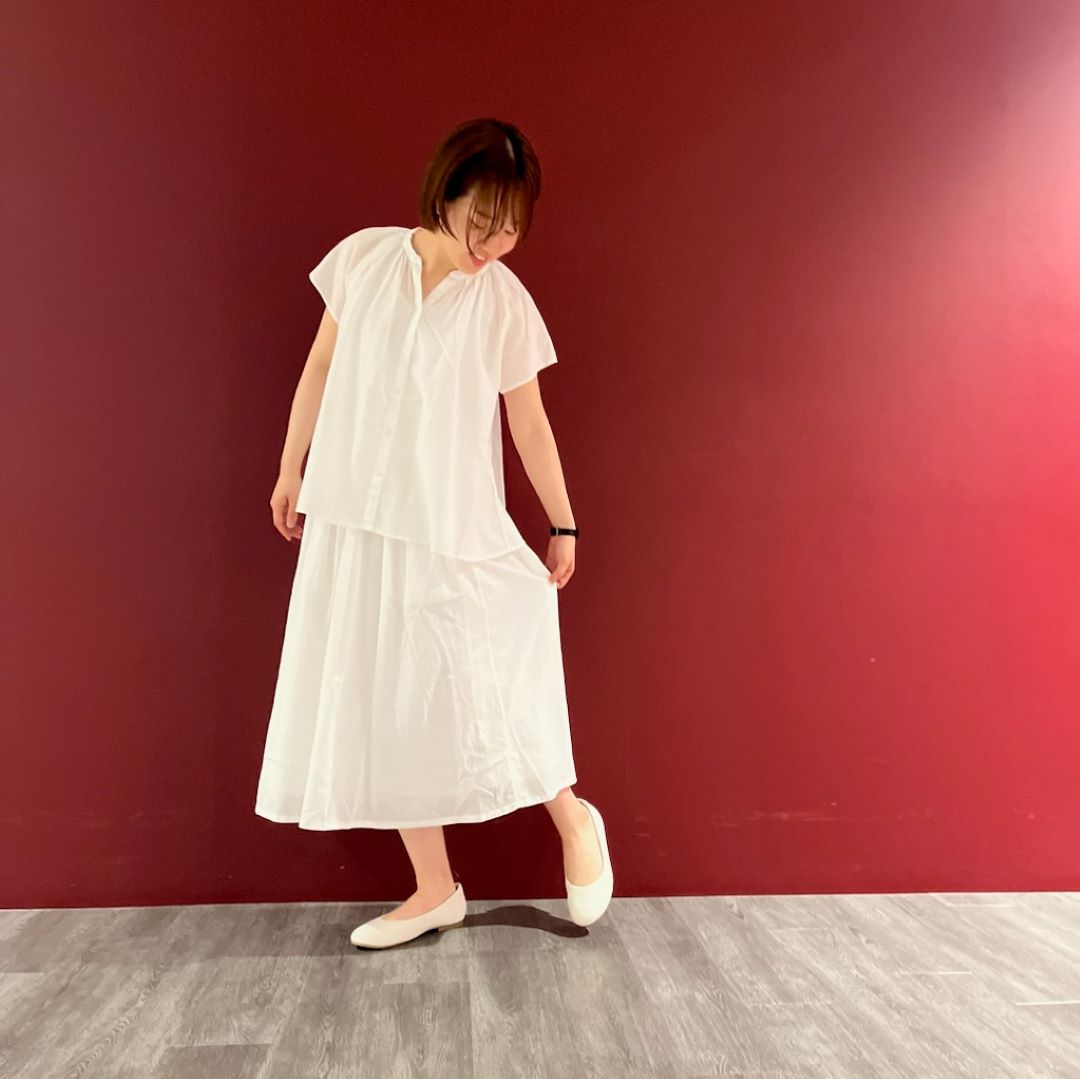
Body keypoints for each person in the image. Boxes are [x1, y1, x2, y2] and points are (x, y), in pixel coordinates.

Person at [254, 118, 613, 948]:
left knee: (485, 674)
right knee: (388, 697)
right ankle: (434, 887)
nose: (494, 242)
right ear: (442, 195)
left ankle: (573, 817)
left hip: (450, 522)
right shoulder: (363, 260)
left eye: (511, 226)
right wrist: (290, 464)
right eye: (482, 220)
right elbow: (320, 365)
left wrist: (562, 520)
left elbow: (528, 422)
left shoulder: (502, 301)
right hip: (356, 518)